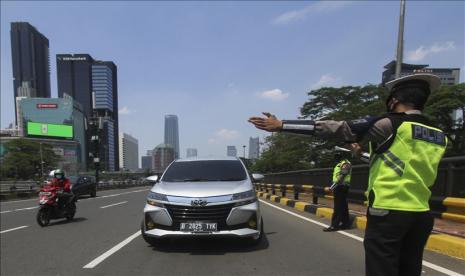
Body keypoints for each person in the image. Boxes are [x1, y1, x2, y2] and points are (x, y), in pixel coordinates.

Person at [248, 74, 447, 276]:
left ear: (395, 100)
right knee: (410, 268)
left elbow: (338, 128)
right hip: (422, 213)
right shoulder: (438, 134)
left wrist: (282, 125)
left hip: (389, 211)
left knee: (382, 269)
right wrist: (361, 153)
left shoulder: (389, 124)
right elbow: (402, 163)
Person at [325, 152, 352, 232]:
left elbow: (342, 175)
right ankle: (345, 224)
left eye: (337, 156)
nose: (336, 157)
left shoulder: (345, 163)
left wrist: (331, 187)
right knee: (343, 206)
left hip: (341, 186)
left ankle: (334, 225)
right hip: (340, 186)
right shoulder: (341, 163)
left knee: (338, 207)